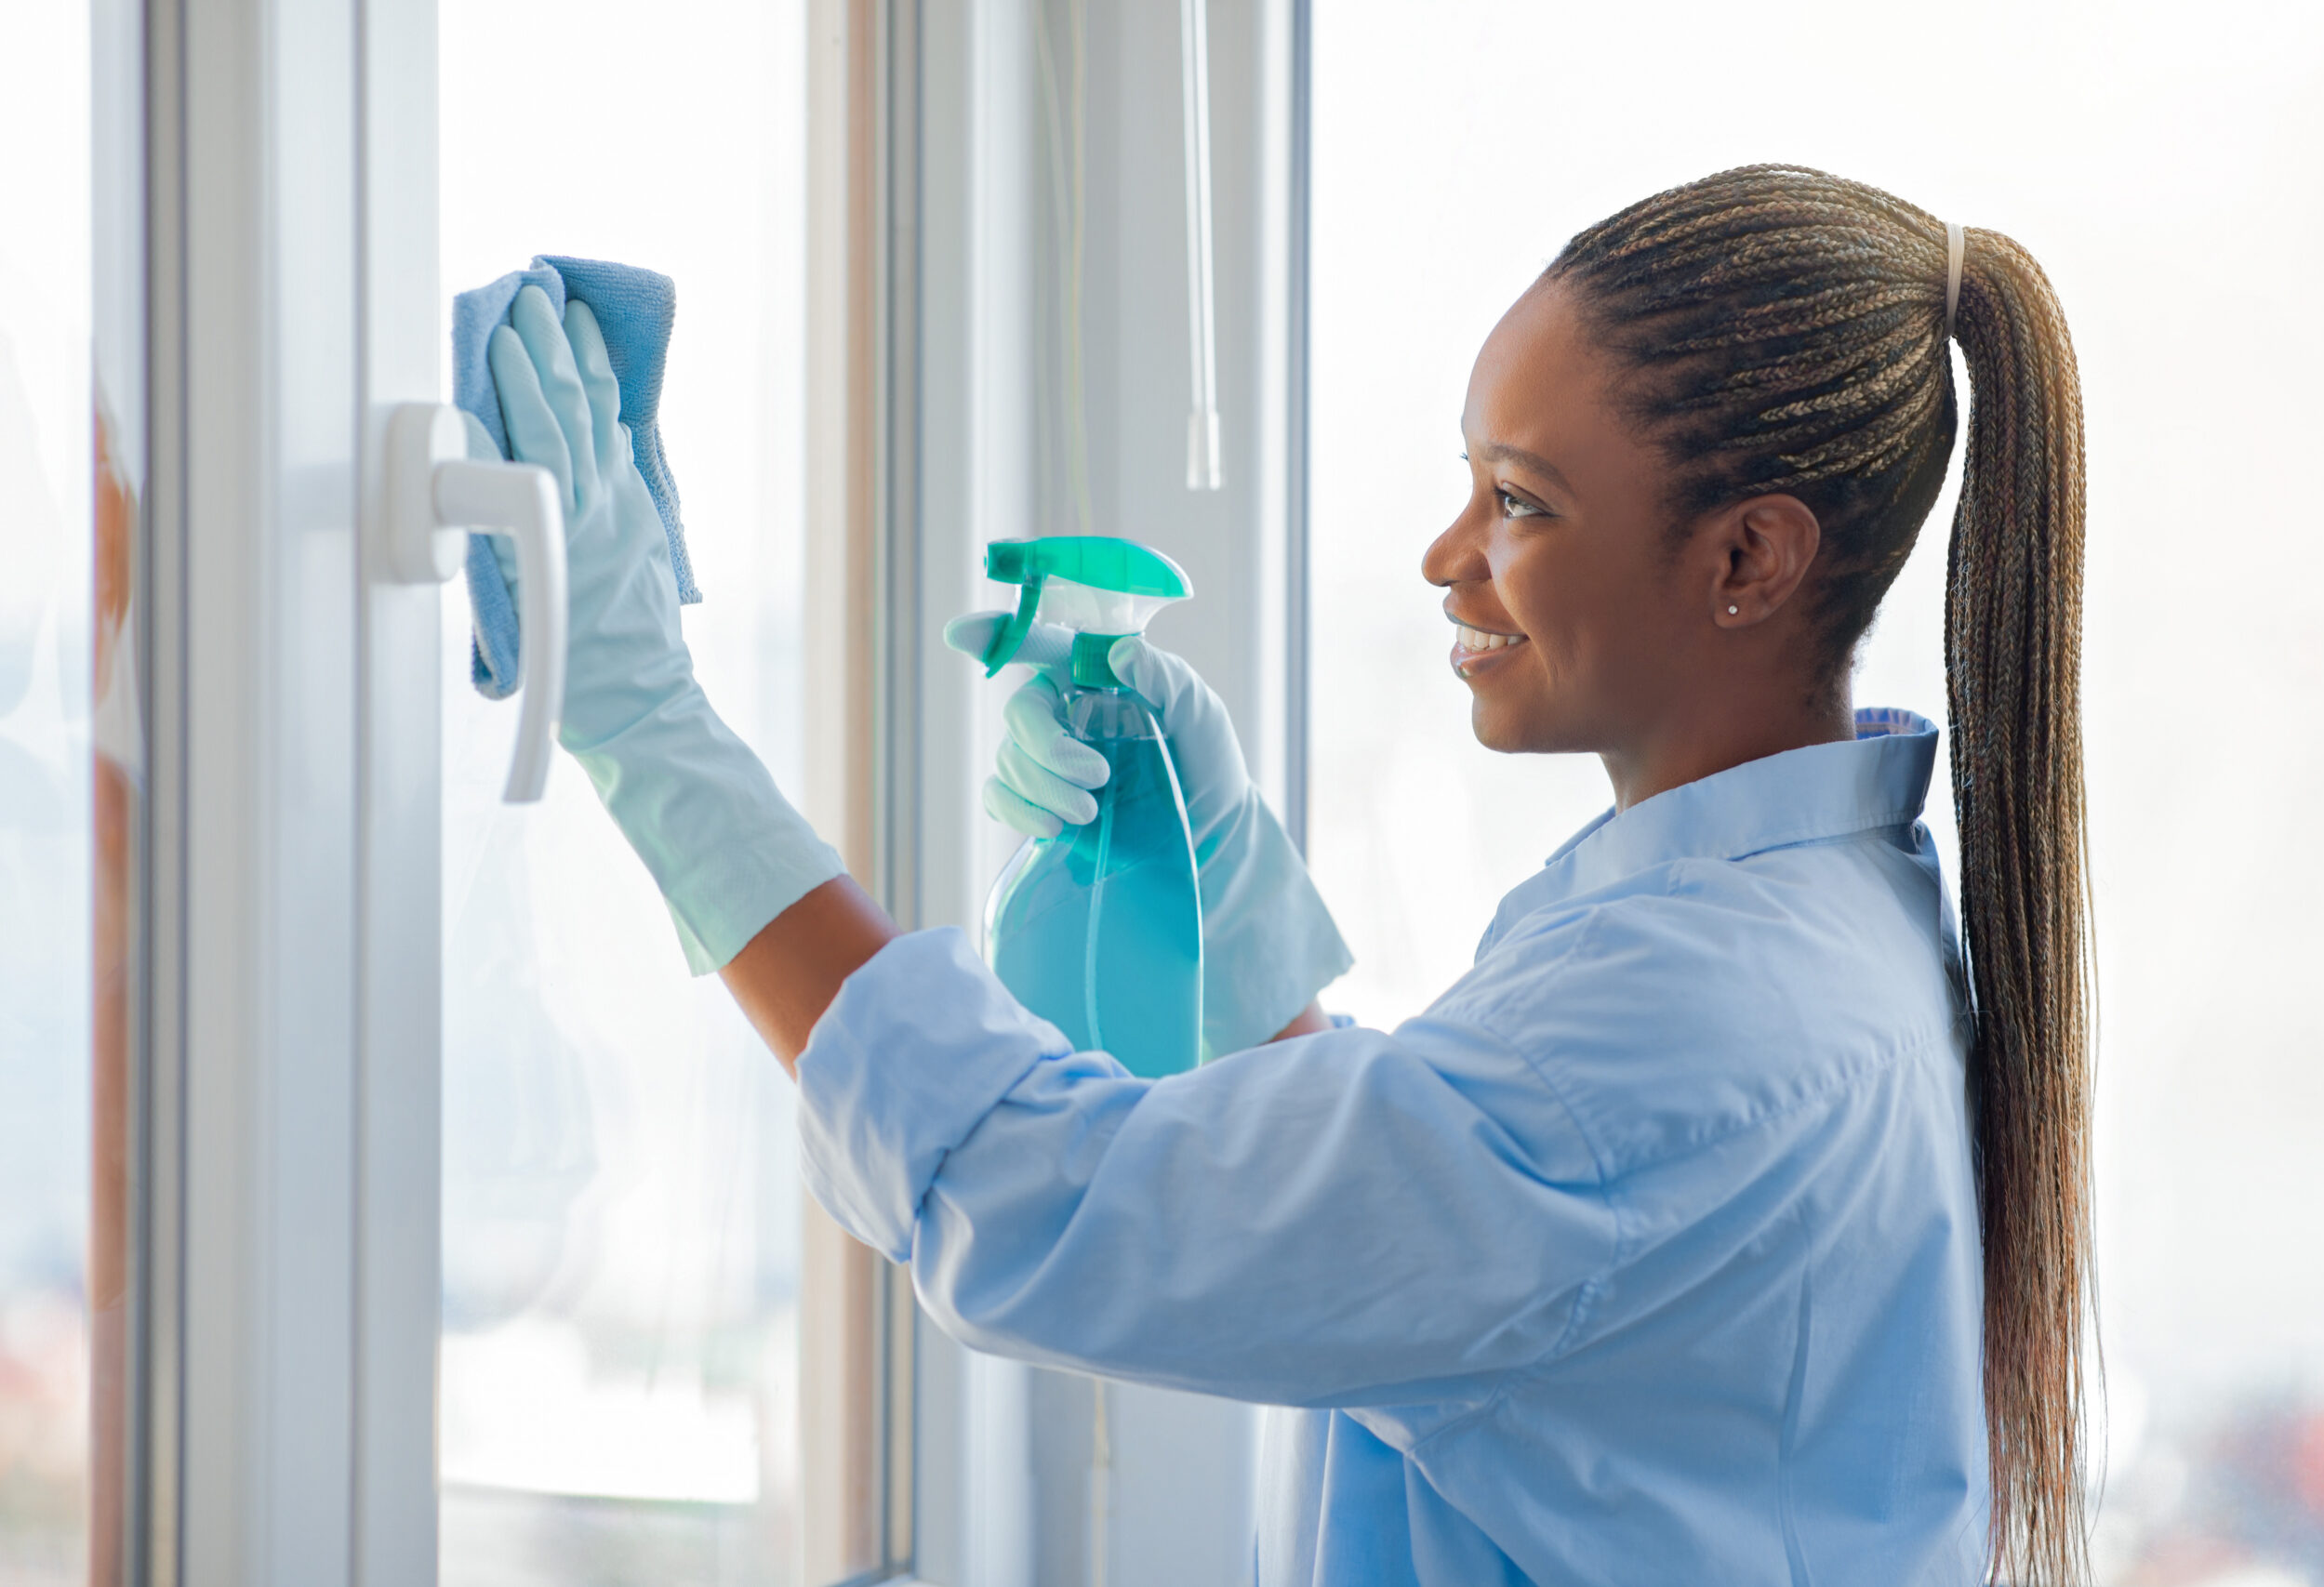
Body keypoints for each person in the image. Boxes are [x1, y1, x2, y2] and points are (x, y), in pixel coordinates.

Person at [482, 163, 2092, 1586]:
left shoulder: (1691, 1024)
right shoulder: (1803, 926)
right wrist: (1235, 918)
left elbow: (1033, 1206)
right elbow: (1474, 1277)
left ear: (1748, 557)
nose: (1449, 554)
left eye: (1520, 502)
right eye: (1470, 479)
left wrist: (647, 719)